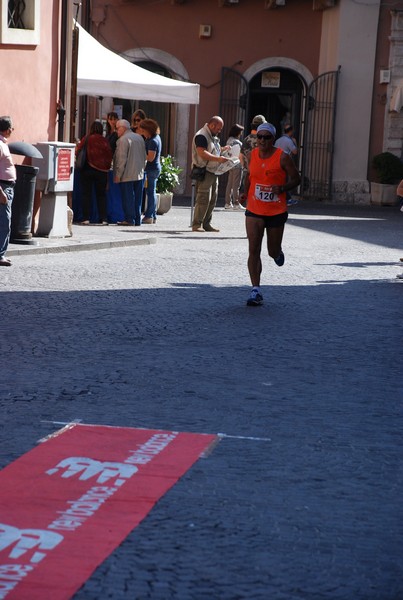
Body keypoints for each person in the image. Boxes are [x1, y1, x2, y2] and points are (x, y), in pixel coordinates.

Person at [239, 122, 301, 307]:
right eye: (260, 137)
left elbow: (296, 179)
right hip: (255, 209)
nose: (262, 140)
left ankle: (277, 253)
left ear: (273, 139)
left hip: (276, 210)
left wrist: (281, 188)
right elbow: (250, 176)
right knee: (253, 249)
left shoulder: (283, 157)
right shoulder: (251, 155)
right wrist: (244, 192)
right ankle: (255, 290)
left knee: (271, 250)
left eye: (266, 137)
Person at [191, 116, 229, 232]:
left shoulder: (211, 136)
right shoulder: (202, 135)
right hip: (204, 170)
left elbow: (212, 149)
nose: (219, 131)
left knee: (212, 199)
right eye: (218, 128)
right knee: (203, 198)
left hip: (213, 171)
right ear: (212, 126)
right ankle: (197, 224)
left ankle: (206, 224)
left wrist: (223, 149)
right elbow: (202, 153)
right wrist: (218, 159)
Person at [75, 120, 113, 225]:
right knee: (101, 195)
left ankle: (86, 218)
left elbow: (78, 150)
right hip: (101, 172)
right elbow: (109, 154)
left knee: (86, 195)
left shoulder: (87, 138)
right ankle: (103, 218)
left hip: (87, 169)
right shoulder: (105, 141)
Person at [114, 119, 146, 226]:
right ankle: (137, 219)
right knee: (137, 199)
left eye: (117, 128)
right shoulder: (139, 138)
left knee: (128, 198)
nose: (116, 131)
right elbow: (144, 156)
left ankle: (129, 219)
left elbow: (121, 159)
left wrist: (118, 175)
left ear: (123, 128)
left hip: (127, 174)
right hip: (139, 173)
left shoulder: (123, 140)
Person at [138, 118, 162, 224]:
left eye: (143, 131)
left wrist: (140, 155)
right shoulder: (155, 138)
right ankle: (153, 215)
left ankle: (149, 216)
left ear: (148, 130)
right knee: (151, 192)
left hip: (152, 169)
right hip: (153, 168)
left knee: (150, 192)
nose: (142, 133)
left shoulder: (152, 141)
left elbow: (151, 157)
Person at [0, 116, 16, 266]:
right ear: (7, 129)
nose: (13, 130)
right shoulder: (0, 144)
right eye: (12, 128)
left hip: (7, 186)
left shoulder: (3, 143)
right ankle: (0, 255)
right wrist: (1, 193)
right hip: (3, 187)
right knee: (4, 222)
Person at [274, 124, 299, 206]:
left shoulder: (278, 140)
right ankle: (287, 199)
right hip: (285, 163)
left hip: (277, 162)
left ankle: (280, 197)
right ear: (291, 131)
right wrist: (294, 142)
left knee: (279, 180)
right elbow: (295, 152)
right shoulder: (289, 141)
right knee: (285, 181)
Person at [224, 123, 244, 210]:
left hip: (230, 164)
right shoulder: (237, 142)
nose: (241, 134)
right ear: (238, 132)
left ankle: (228, 203)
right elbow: (240, 155)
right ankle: (236, 203)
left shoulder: (229, 140)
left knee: (230, 184)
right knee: (236, 185)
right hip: (237, 164)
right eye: (241, 132)